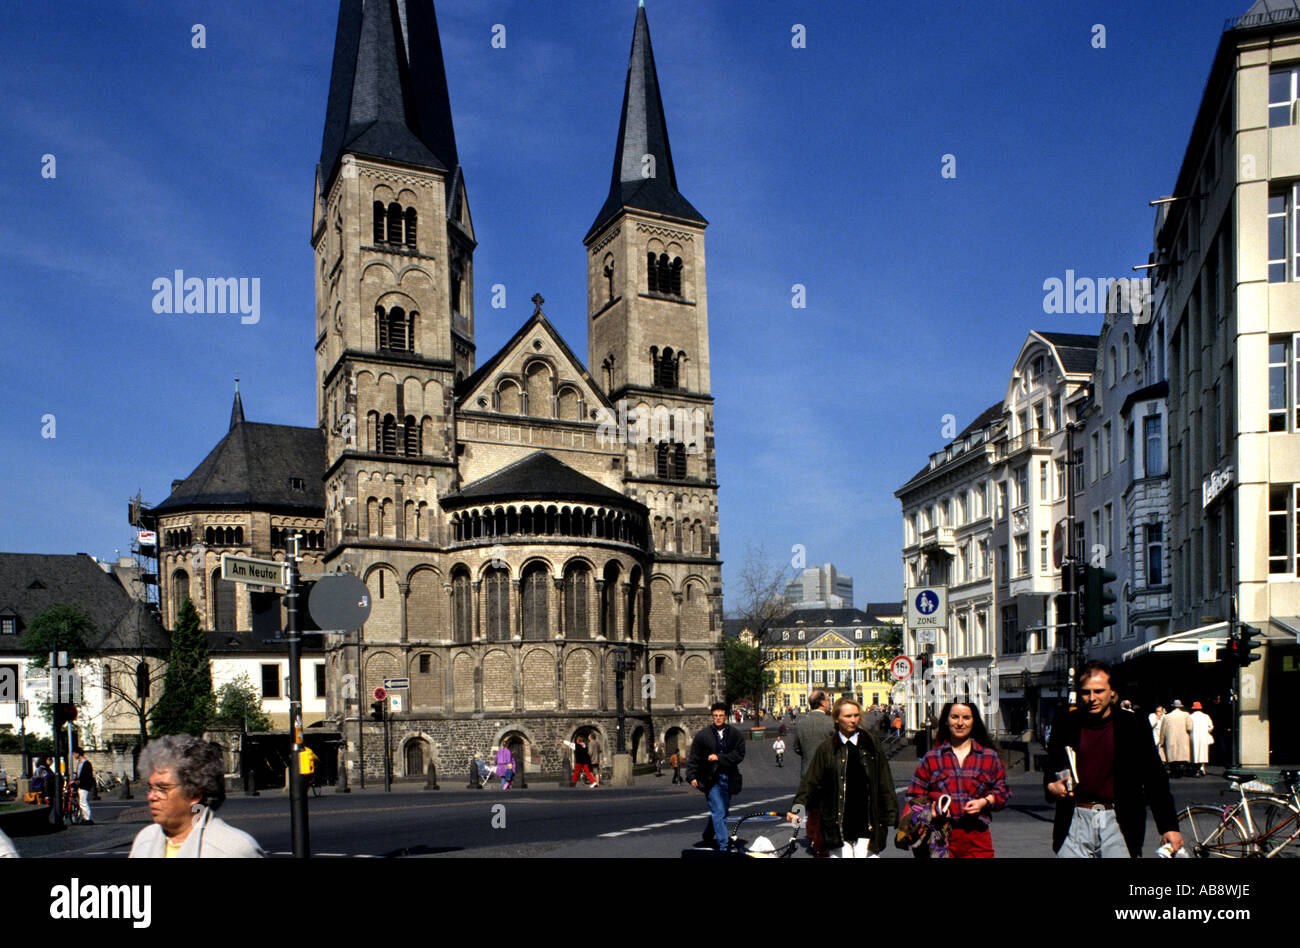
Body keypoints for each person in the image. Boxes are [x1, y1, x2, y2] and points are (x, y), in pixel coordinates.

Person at [1045, 662, 1182, 858]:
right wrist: (1051, 787)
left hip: (1118, 820)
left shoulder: (1133, 725)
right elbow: (1051, 768)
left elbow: (1155, 778)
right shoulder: (1065, 723)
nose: (1092, 698)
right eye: (1086, 692)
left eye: (1099, 691)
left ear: (1112, 692)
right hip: (1076, 819)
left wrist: (1169, 827)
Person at [786, 696, 898, 858]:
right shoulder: (827, 748)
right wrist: (797, 808)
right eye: (848, 716)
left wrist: (891, 814)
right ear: (837, 719)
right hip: (837, 819)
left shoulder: (871, 744)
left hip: (867, 817)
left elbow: (884, 780)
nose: (853, 720)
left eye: (856, 715)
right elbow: (811, 781)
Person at [129, 735, 263, 858]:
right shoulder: (145, 840)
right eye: (150, 788)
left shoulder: (233, 849)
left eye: (162, 789)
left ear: (194, 795)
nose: (151, 796)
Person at [907, 702, 1009, 858]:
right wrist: (930, 812)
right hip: (941, 836)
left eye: (966, 717)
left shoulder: (988, 756)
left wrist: (985, 802)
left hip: (978, 836)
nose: (960, 723)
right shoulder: (932, 758)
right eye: (955, 717)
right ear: (947, 721)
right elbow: (913, 798)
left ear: (973, 721)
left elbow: (1003, 792)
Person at [686, 702, 746, 851]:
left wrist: (720, 758)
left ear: (726, 716)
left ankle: (708, 835)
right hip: (711, 779)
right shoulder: (703, 736)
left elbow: (739, 755)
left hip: (729, 778)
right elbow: (694, 757)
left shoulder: (735, 734)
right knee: (719, 811)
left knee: (722, 811)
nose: (718, 718)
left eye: (721, 716)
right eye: (715, 716)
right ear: (712, 717)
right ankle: (723, 846)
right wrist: (691, 776)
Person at [793, 690, 835, 856]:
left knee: (812, 809)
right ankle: (820, 842)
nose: (830, 702)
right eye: (828, 699)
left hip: (807, 773)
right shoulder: (831, 723)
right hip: (827, 774)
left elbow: (796, 747)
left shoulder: (801, 723)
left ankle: (812, 836)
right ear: (823, 703)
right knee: (826, 810)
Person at [1160, 699, 1192, 778]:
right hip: (1182, 739)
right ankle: (1180, 770)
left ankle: (1174, 771)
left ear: (1173, 707)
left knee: (1172, 756)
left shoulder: (1166, 717)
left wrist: (1161, 741)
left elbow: (1162, 730)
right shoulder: (1186, 715)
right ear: (1180, 707)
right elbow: (1189, 728)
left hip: (1171, 739)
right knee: (1181, 756)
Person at [1188, 702, 1214, 777]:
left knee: (1195, 753)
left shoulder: (1190, 717)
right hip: (1203, 736)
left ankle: (1196, 770)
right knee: (1202, 752)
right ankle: (1202, 768)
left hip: (1194, 737)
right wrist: (1207, 730)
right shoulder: (1206, 716)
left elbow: (1188, 728)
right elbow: (1211, 727)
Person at [72, 750, 94, 824]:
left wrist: (79, 781)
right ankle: (85, 817)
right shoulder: (80, 763)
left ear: (78, 753)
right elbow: (79, 775)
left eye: (74, 754)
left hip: (84, 785)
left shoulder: (87, 763)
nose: (73, 756)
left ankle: (88, 818)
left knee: (83, 802)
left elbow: (87, 776)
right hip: (80, 785)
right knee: (81, 802)